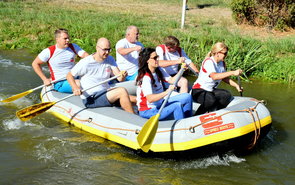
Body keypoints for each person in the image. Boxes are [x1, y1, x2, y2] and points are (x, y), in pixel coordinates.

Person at [66, 38, 134, 114]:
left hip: (104, 92)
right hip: (91, 98)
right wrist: (75, 87)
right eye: (104, 50)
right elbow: (69, 75)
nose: (107, 52)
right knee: (122, 91)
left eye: (109, 50)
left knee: (133, 98)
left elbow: (120, 78)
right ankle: (134, 119)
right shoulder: (86, 62)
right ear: (97, 48)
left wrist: (123, 75)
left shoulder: (110, 59)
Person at [136, 48, 192, 120]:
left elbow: (172, 80)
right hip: (148, 110)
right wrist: (167, 92)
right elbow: (150, 99)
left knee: (187, 97)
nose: (157, 60)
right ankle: (182, 126)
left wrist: (182, 69)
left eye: (157, 57)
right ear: (147, 60)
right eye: (155, 58)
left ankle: (188, 120)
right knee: (177, 106)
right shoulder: (146, 78)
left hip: (160, 103)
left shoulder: (158, 70)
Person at [191, 42, 243, 115]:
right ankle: (196, 117)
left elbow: (224, 78)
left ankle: (217, 114)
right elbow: (214, 77)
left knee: (226, 95)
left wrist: (236, 85)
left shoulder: (222, 63)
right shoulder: (209, 62)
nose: (226, 55)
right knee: (210, 100)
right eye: (224, 53)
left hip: (210, 90)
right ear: (217, 53)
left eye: (226, 53)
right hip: (198, 90)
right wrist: (232, 72)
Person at [32, 28, 89, 93]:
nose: (68, 40)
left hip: (74, 77)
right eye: (65, 39)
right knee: (79, 83)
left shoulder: (73, 47)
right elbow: (35, 64)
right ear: (57, 39)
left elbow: (85, 56)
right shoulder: (49, 51)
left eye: (68, 38)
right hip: (60, 82)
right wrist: (45, 79)